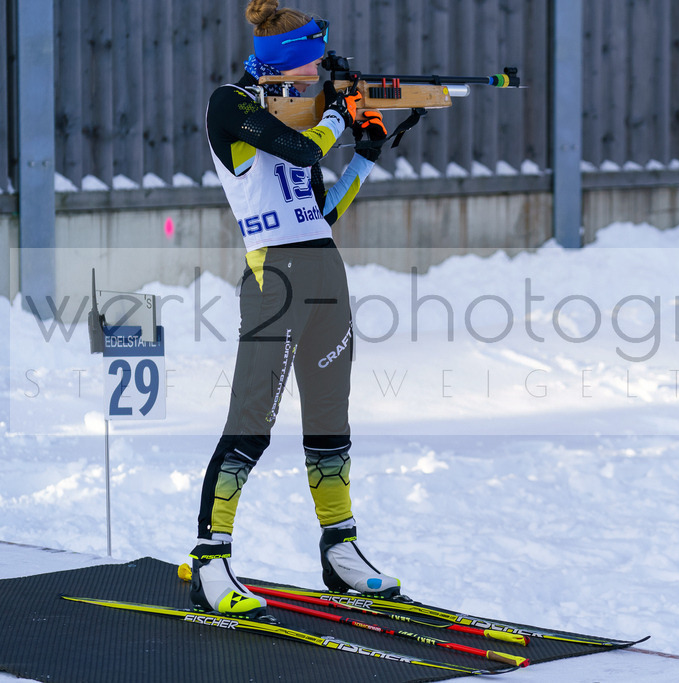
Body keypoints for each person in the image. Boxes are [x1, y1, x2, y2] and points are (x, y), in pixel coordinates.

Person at [188, 0, 398, 618]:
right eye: (310, 71)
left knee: (331, 413)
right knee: (253, 415)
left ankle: (341, 549)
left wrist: (365, 153)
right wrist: (336, 120)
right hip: (272, 274)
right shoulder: (232, 105)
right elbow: (302, 150)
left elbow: (321, 214)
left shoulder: (298, 108)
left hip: (323, 267)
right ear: (285, 66)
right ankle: (210, 557)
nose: (317, 79)